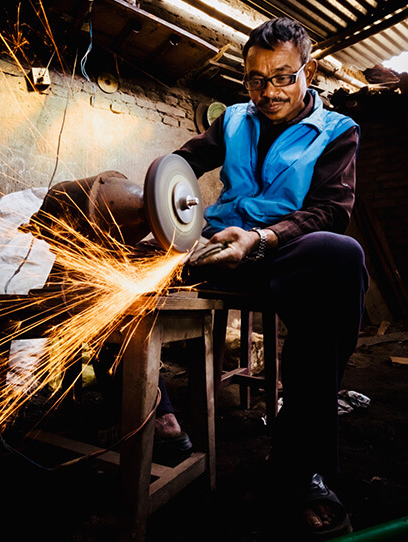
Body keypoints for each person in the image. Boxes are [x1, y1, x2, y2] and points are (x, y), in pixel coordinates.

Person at [173, 16, 368, 539]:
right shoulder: (234, 119)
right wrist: (164, 210)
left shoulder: (336, 133)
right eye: (256, 79)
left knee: (341, 256)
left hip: (281, 252)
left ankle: (305, 469)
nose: (268, 91)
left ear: (309, 70)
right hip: (217, 251)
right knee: (114, 263)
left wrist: (261, 239)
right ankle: (164, 424)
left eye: (283, 76)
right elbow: (181, 163)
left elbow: (330, 210)